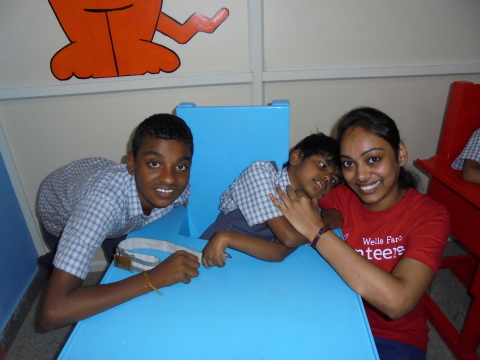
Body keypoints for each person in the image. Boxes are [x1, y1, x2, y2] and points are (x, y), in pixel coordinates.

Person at [269, 107, 450, 360]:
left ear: (400, 154)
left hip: (394, 338)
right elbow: (287, 182)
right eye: (348, 164)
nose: (362, 176)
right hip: (331, 322)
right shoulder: (337, 196)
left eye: (373, 159)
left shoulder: (430, 215)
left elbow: (397, 302)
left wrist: (316, 231)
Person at [36, 114, 200, 331]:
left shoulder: (177, 190)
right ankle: (53, 264)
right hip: (60, 210)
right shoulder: (99, 206)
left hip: (114, 211)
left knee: (121, 261)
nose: (169, 178)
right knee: (66, 271)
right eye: (154, 163)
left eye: (180, 167)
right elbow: (52, 314)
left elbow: (178, 201)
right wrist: (152, 278)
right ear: (131, 163)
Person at [200, 132, 342, 268]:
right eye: (322, 165)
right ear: (296, 157)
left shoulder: (308, 208)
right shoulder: (262, 172)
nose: (326, 178)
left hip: (252, 266)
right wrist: (327, 222)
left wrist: (227, 238)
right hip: (209, 254)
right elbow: (289, 238)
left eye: (333, 179)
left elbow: (279, 253)